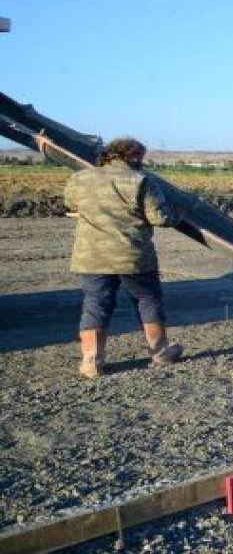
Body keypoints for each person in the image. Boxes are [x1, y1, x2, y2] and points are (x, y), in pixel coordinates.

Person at [63, 137, 185, 378]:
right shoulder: (141, 180)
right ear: (134, 156)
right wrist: (179, 212)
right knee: (147, 299)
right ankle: (160, 352)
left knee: (96, 302)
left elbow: (70, 203)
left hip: (91, 257)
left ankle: (91, 361)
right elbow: (160, 218)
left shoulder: (80, 178)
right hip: (133, 257)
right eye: (140, 157)